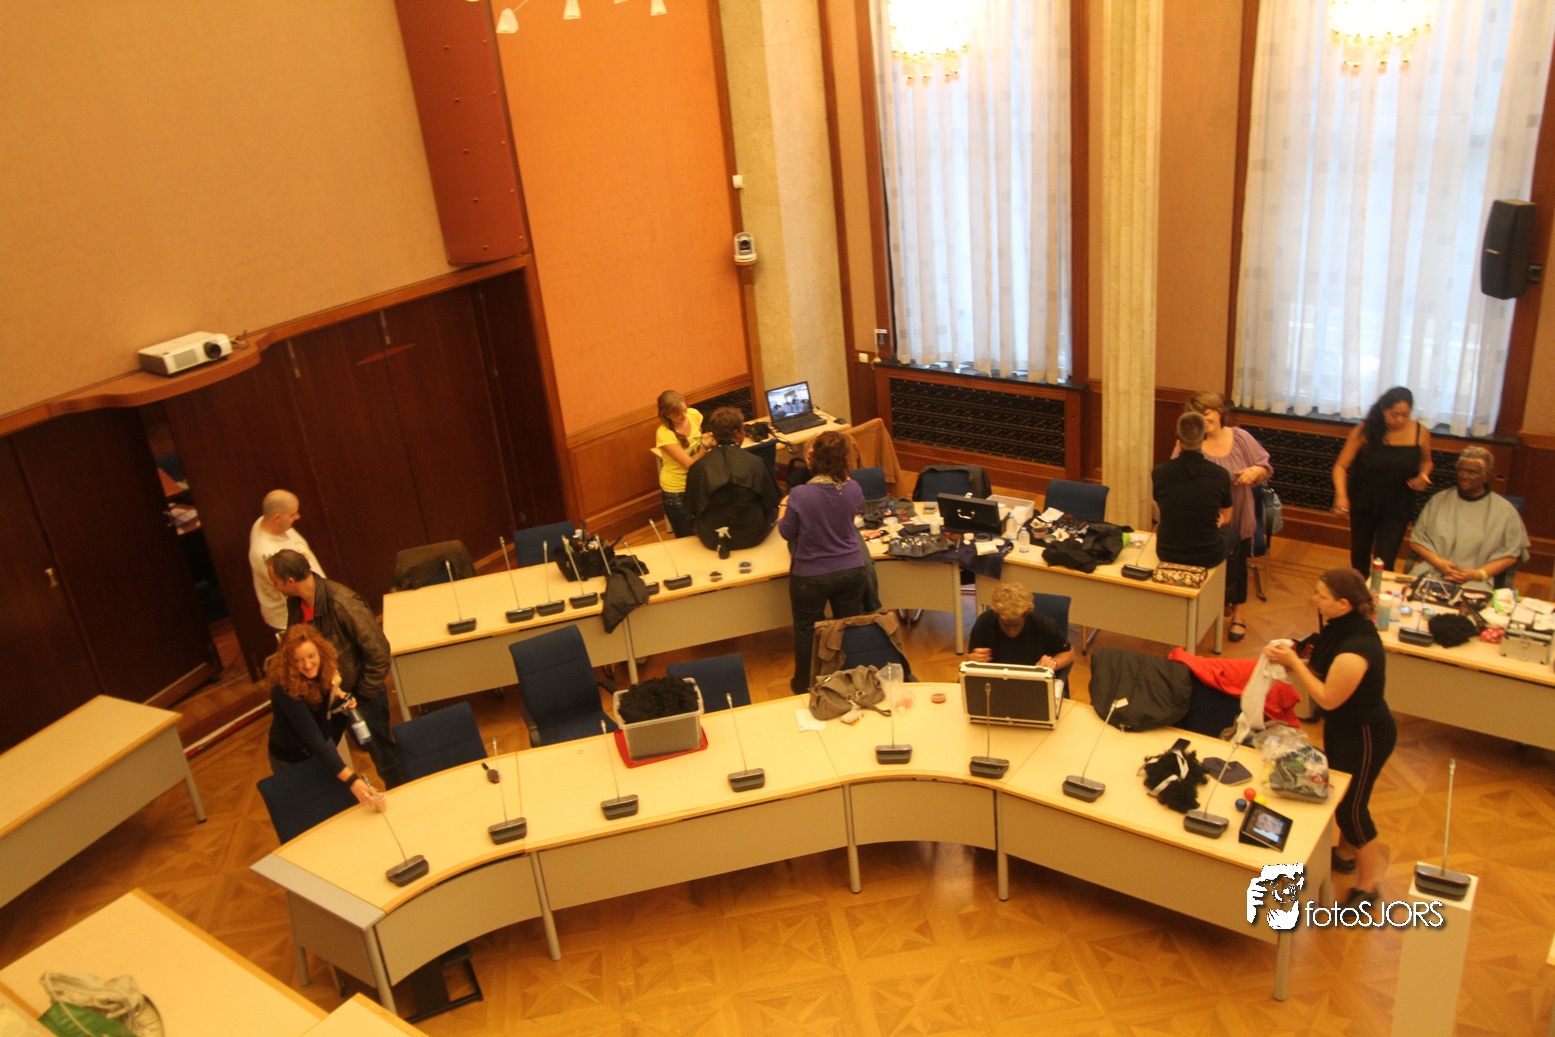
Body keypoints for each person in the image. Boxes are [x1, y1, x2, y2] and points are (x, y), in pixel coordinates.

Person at [1264, 568, 1394, 912]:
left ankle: (1367, 886)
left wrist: (1295, 663)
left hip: (1366, 735)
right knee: (1343, 795)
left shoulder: (1356, 650)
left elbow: (1326, 698)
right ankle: (1347, 855)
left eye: (1321, 595)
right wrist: (1293, 659)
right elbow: (1321, 666)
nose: (1314, 599)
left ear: (1343, 603)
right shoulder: (1340, 626)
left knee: (1353, 809)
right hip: (1344, 728)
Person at [267, 548, 405, 787]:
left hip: (361, 696)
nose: (274, 587)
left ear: (290, 581)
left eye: (275, 582)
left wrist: (360, 695)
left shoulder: (343, 603)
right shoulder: (295, 603)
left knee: (384, 757)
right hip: (329, 698)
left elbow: (379, 652)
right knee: (327, 754)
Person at [1175, 391, 1272, 642]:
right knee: (1207, 565)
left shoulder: (1240, 437)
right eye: (1196, 415)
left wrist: (1255, 472)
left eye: (1206, 414)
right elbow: (1176, 475)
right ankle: (1209, 608)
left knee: (1237, 565)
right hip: (1205, 517)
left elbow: (1265, 466)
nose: (1202, 420)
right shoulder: (1189, 441)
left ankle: (1238, 614)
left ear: (1219, 413)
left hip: (1238, 511)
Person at [779, 431, 868, 694]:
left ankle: (804, 686)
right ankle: (851, 682)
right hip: (852, 571)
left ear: (812, 460)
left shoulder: (800, 494)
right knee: (848, 629)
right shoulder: (853, 488)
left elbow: (787, 533)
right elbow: (856, 510)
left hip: (811, 576)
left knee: (807, 631)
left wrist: (784, 507)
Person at [265, 624, 382, 809]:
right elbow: (315, 740)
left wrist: (340, 705)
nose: (307, 665)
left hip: (318, 753)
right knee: (309, 810)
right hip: (291, 762)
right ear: (289, 662)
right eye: (298, 660)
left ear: (321, 652)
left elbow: (326, 736)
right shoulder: (285, 690)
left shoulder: (325, 674)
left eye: (312, 656)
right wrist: (351, 780)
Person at [1331, 387, 1435, 574]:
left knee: (1386, 558)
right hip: (1364, 499)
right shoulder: (1365, 430)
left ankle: (1380, 589)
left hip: (1398, 502)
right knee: (1360, 552)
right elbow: (1340, 466)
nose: (1400, 420)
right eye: (1394, 414)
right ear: (1383, 409)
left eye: (1405, 415)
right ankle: (1361, 587)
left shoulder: (1420, 432)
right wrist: (1341, 496)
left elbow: (1427, 462)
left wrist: (1423, 476)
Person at [1408, 446, 1528, 590]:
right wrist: (1440, 564)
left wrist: (1479, 574)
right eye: (1462, 470)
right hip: (1434, 572)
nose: (1465, 476)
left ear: (1487, 475)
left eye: (1473, 472)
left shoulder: (1505, 511)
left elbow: (1511, 554)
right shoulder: (1439, 500)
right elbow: (1417, 540)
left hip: (1475, 581)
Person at [684, 406, 780, 557]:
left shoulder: (699, 467)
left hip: (711, 537)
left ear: (713, 434)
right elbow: (772, 501)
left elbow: (690, 507)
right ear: (737, 433)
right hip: (753, 534)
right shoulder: (755, 463)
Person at [1153, 412, 1233, 568]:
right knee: (1232, 535)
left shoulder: (1159, 472)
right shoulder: (1220, 474)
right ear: (1204, 437)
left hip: (1167, 552)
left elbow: (1162, 505)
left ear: (1178, 437)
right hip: (1209, 554)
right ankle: (1233, 583)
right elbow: (1227, 517)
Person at [248, 489, 326, 635]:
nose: (298, 517)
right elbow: (295, 591)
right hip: (298, 620)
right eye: (293, 514)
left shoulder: (265, 522)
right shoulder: (268, 555)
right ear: (277, 518)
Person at [969, 582, 1073, 677]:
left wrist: (1053, 663)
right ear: (997, 616)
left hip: (1031, 679)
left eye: (1016, 625)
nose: (1011, 632)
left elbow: (1068, 653)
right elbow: (970, 656)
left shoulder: (1043, 624)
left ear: (1025, 616)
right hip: (994, 678)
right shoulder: (985, 621)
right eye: (1006, 625)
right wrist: (972, 659)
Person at [655, 390, 707, 538]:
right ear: (667, 415)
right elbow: (690, 466)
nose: (684, 416)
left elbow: (698, 438)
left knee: (704, 531)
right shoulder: (664, 434)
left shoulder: (694, 414)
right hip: (677, 491)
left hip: (696, 483)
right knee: (686, 537)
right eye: (677, 414)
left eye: (684, 410)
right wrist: (705, 447)